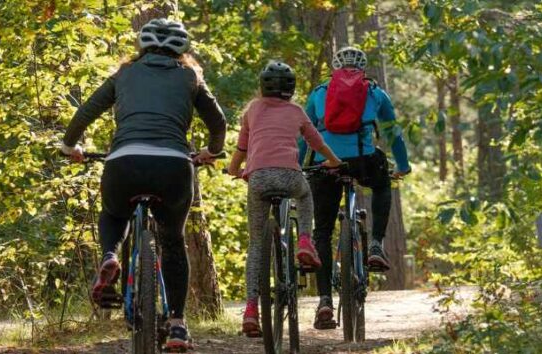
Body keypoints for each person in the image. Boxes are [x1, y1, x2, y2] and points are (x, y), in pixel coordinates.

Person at [60, 18, 226, 352]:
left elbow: (85, 112)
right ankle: (178, 324)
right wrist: (212, 151)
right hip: (173, 165)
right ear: (183, 50)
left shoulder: (124, 74)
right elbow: (218, 122)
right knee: (173, 242)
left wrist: (69, 147)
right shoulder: (190, 76)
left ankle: (110, 256)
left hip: (125, 161)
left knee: (113, 214)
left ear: (143, 46)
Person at [299, 46, 412, 330]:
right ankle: (375, 244)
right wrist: (403, 164)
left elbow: (304, 134)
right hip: (363, 160)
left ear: (335, 67)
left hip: (327, 164)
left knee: (322, 230)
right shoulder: (375, 93)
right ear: (363, 67)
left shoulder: (319, 93)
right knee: (382, 185)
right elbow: (392, 133)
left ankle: (325, 300)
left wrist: (301, 165)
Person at [227, 61, 342, 337]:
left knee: (256, 245)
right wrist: (334, 161)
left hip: (258, 179)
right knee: (305, 194)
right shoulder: (297, 111)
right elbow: (316, 143)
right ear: (291, 89)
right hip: (291, 176)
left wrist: (235, 171)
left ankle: (251, 310)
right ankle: (304, 239)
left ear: (262, 86)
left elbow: (242, 148)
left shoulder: (252, 110)